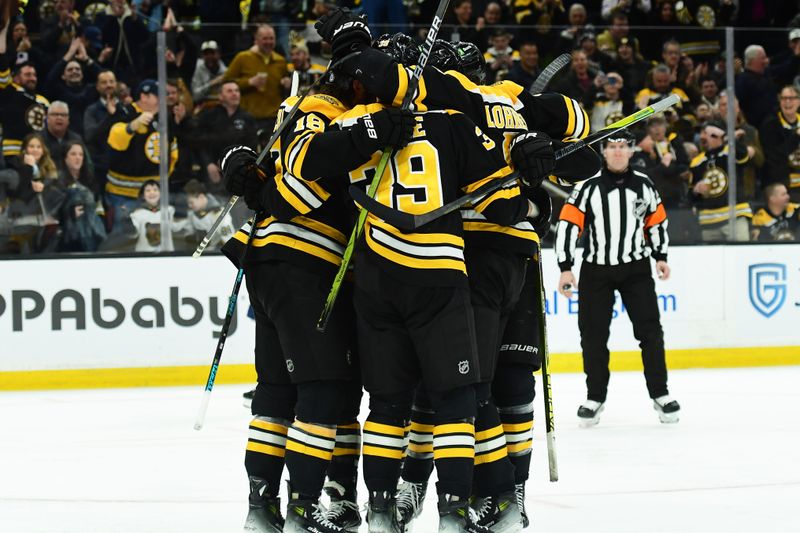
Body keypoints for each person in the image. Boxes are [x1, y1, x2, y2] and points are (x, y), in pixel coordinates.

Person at [219, 69, 409, 533]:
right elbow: (301, 189)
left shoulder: (298, 108)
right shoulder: (333, 113)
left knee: (280, 393)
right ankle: (304, 510)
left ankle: (264, 509)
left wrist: (242, 168)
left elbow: (265, 165)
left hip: (269, 259)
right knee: (324, 390)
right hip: (305, 262)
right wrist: (262, 188)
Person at [554, 130, 680, 427]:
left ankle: (660, 394)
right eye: (612, 146)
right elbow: (568, 224)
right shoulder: (588, 186)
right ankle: (594, 397)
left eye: (623, 146)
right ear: (604, 151)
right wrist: (565, 266)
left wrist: (660, 256)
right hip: (597, 269)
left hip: (636, 268)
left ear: (631, 151)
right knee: (593, 335)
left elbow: (657, 220)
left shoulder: (644, 185)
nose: (618, 152)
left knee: (650, 333)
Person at [105, 79, 178, 229]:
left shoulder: (164, 117)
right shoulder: (125, 112)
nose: (163, 101)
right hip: (124, 193)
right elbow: (113, 141)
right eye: (158, 96)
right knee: (125, 237)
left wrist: (164, 178)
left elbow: (172, 150)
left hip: (154, 194)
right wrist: (132, 126)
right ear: (144, 97)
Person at [690, 119, 752, 242]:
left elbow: (744, 156)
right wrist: (696, 191)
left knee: (740, 255)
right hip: (709, 221)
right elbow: (691, 196)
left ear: (717, 136)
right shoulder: (696, 162)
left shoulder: (730, 151)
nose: (702, 137)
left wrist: (730, 139)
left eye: (706, 134)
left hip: (735, 216)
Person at [224, 24, 289, 132]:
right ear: (256, 40)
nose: (268, 42)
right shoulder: (242, 57)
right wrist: (249, 82)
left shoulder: (281, 61)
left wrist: (287, 84)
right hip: (248, 117)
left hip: (274, 118)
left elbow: (283, 90)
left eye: (271, 38)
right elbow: (226, 82)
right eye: (265, 39)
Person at [56, 141, 106, 251]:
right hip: (68, 236)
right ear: (65, 158)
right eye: (73, 154)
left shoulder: (91, 180)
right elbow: (54, 210)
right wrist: (69, 213)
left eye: (80, 154)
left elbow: (99, 207)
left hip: (92, 231)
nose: (78, 158)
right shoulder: (57, 182)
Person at [759, 85, 800, 202]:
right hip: (782, 186)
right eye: (784, 98)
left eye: (792, 98)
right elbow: (774, 157)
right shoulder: (770, 125)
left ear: (799, 101)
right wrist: (796, 137)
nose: (787, 102)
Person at [173, 179, 234, 251]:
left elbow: (228, 239)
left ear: (201, 197)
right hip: (198, 253)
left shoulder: (220, 214)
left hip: (216, 255)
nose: (189, 206)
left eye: (191, 202)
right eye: (188, 203)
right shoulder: (193, 213)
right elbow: (189, 230)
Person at [126, 180, 175, 252]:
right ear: (143, 195)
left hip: (166, 254)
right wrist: (126, 219)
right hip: (144, 254)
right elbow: (133, 234)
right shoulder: (137, 214)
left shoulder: (169, 210)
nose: (152, 193)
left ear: (161, 193)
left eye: (155, 190)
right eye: (148, 190)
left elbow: (176, 227)